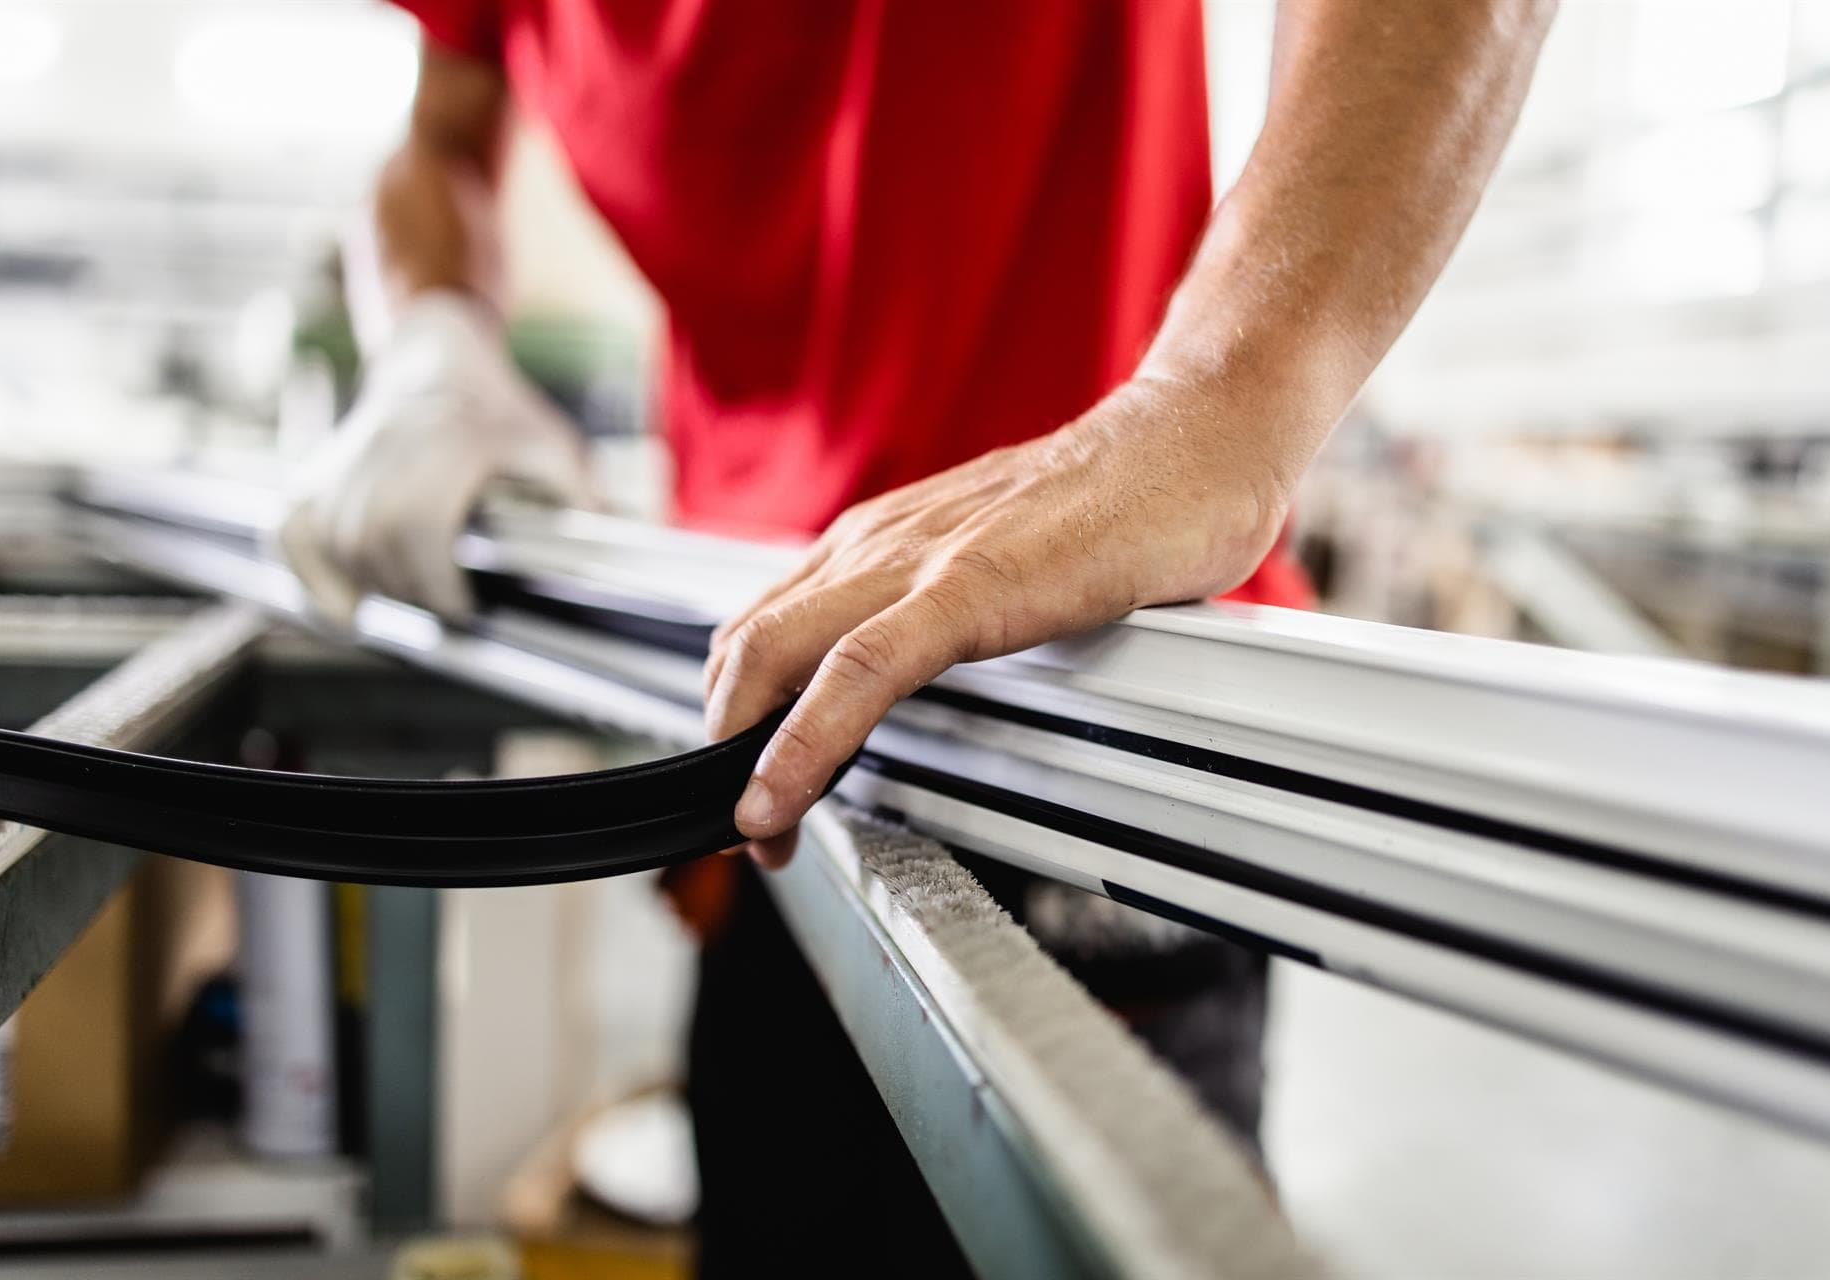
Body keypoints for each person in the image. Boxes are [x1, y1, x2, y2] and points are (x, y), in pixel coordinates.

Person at [279, 2, 1554, 1273]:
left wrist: (1227, 387)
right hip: (770, 721)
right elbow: (441, 137)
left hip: (1097, 714)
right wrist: (431, 339)